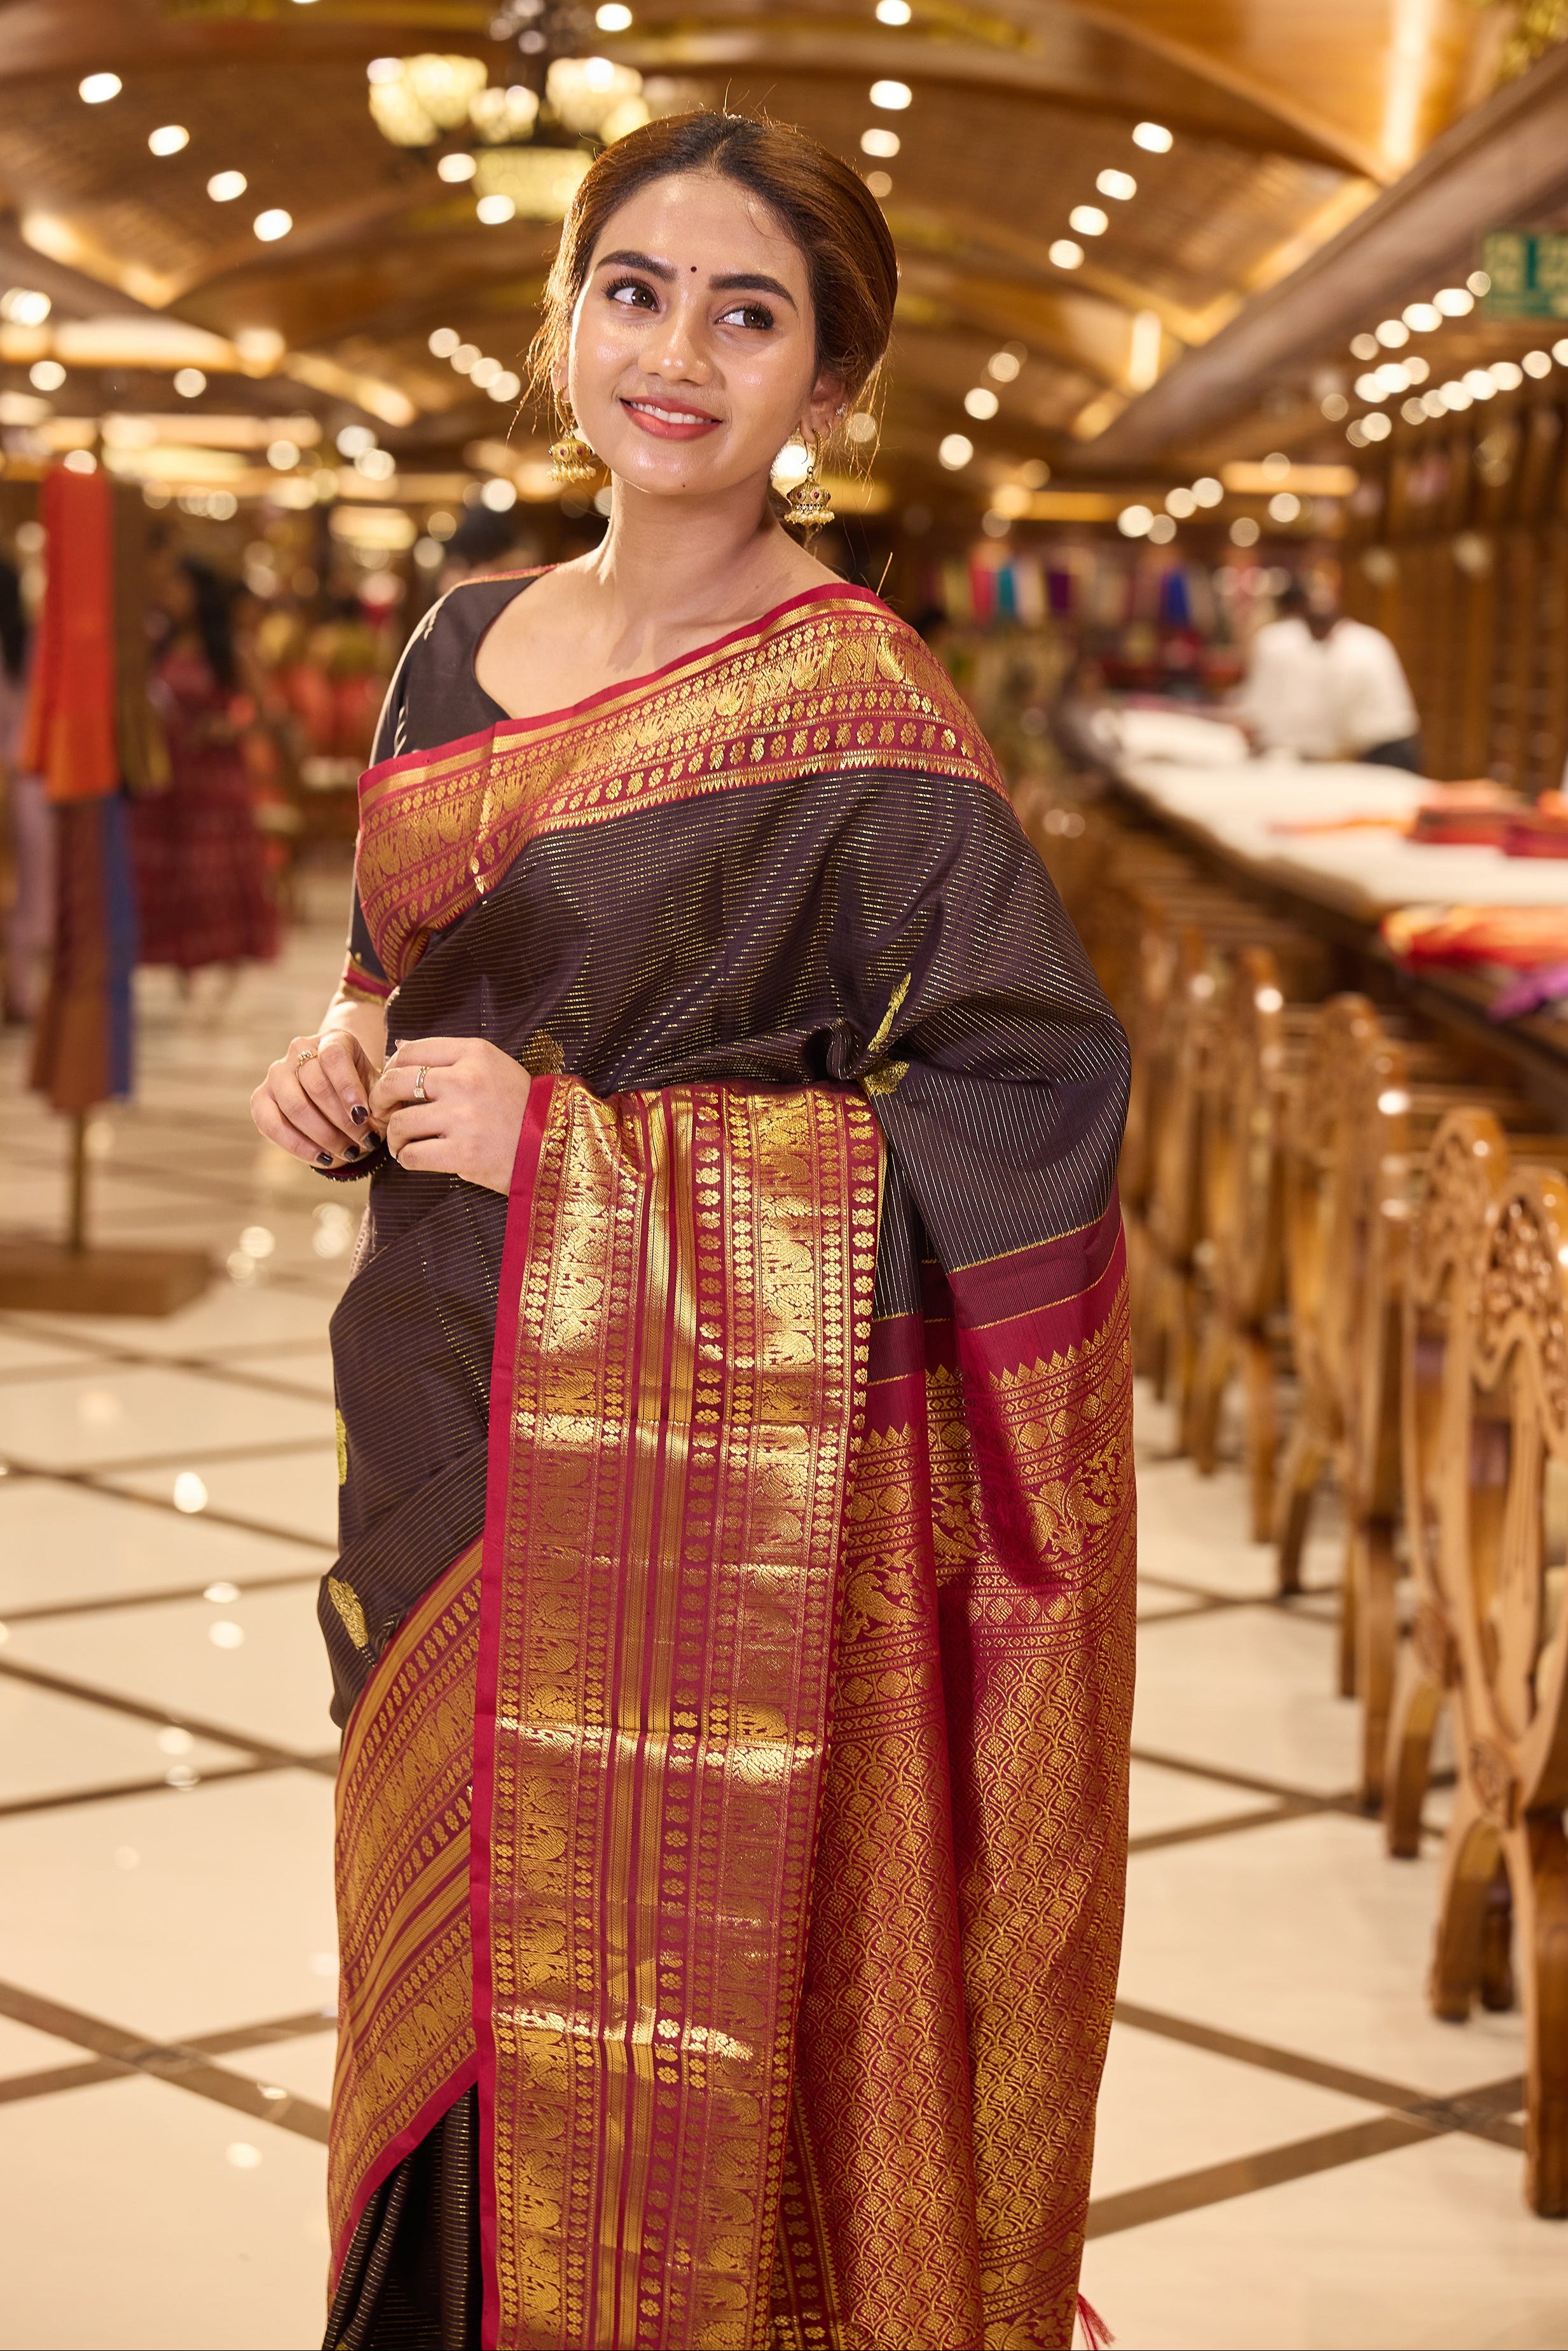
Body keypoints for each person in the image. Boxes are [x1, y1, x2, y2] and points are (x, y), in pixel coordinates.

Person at [251, 109, 1133, 2351]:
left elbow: (1024, 1099)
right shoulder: (451, 646)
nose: (676, 351)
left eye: (750, 314)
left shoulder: (863, 704)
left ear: (828, 390)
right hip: (440, 1415)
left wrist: (592, 1161)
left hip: (676, 1477)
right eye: (633, 290)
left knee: (635, 2016)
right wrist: (342, 1056)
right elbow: (412, 965)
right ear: (562, 325)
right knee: (432, 2003)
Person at [131, 554, 277, 974]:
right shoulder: (159, 644)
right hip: (168, 775)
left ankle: (219, 957)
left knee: (209, 873)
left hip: (214, 778)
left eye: (178, 587)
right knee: (171, 871)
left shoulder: (228, 649)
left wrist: (226, 727)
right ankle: (179, 959)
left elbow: (263, 711)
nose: (169, 595)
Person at [1238, 577, 1423, 769]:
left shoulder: (1353, 650)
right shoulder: (1365, 639)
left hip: (1385, 745)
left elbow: (1337, 706)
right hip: (1386, 740)